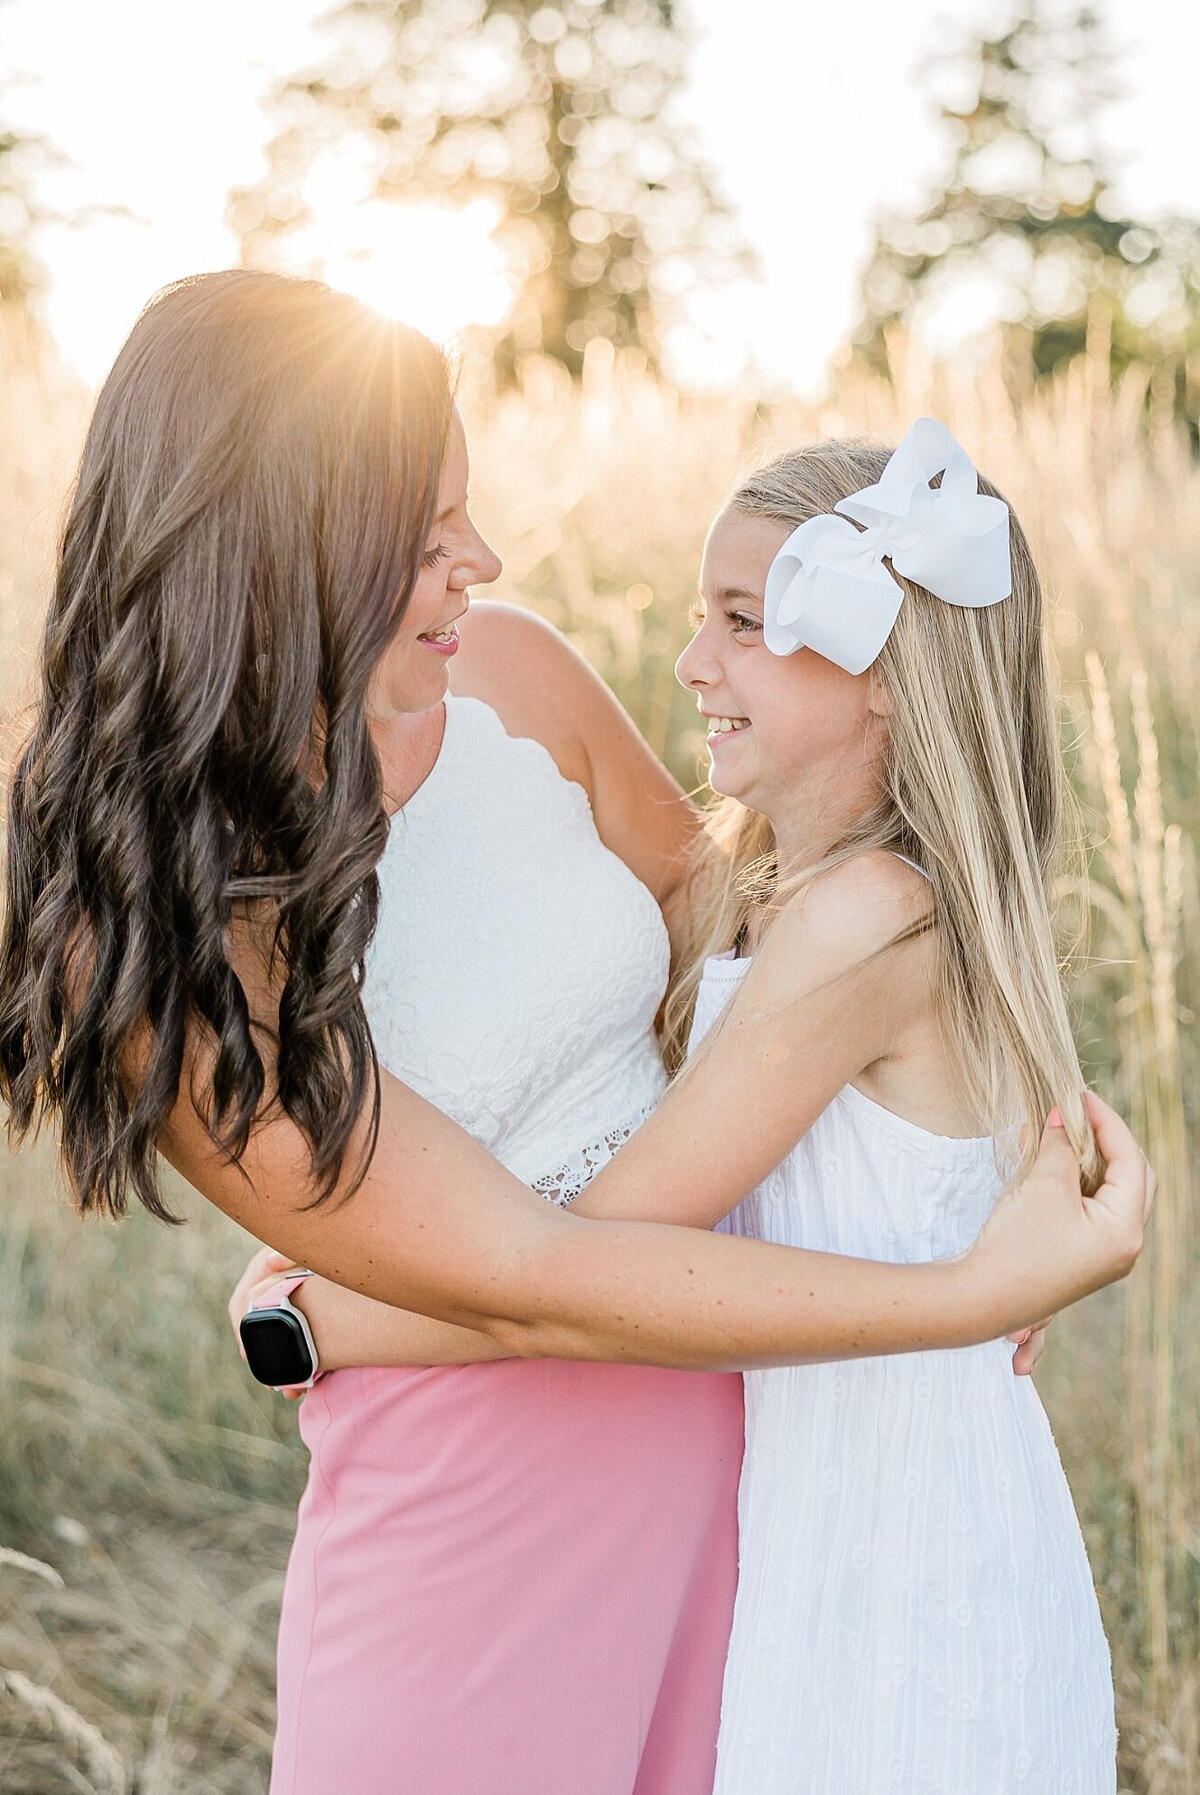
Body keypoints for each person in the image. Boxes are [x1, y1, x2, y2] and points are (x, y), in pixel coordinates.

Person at [0, 270, 1151, 1795]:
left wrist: (974, 1163)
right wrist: (964, 1288)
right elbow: (533, 1284)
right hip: (476, 1521)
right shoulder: (136, 934)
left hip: (763, 1475)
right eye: (422, 541)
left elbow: (752, 941)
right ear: (272, 557)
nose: (482, 560)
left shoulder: (516, 676)